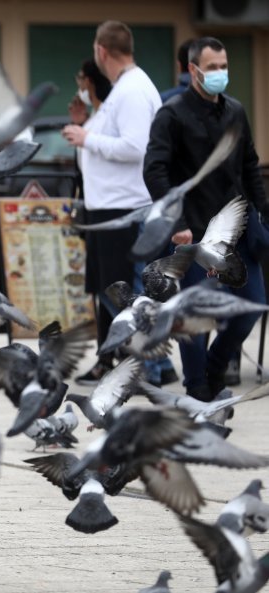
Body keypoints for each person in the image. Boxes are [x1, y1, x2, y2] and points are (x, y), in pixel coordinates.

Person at [144, 36, 268, 401]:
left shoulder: (235, 111)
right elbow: (155, 171)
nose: (220, 73)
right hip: (193, 234)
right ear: (192, 69)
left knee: (252, 305)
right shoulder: (171, 114)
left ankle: (215, 368)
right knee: (196, 316)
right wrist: (177, 222)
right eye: (213, 67)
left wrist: (261, 211)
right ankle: (197, 388)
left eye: (224, 66)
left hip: (237, 231)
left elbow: (249, 164)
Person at [62, 21, 162, 385]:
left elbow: (135, 147)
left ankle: (144, 368)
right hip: (108, 207)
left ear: (101, 51)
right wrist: (85, 131)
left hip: (123, 209)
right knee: (111, 292)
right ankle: (135, 365)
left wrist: (87, 137)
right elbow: (102, 149)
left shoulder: (133, 90)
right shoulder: (122, 90)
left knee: (122, 296)